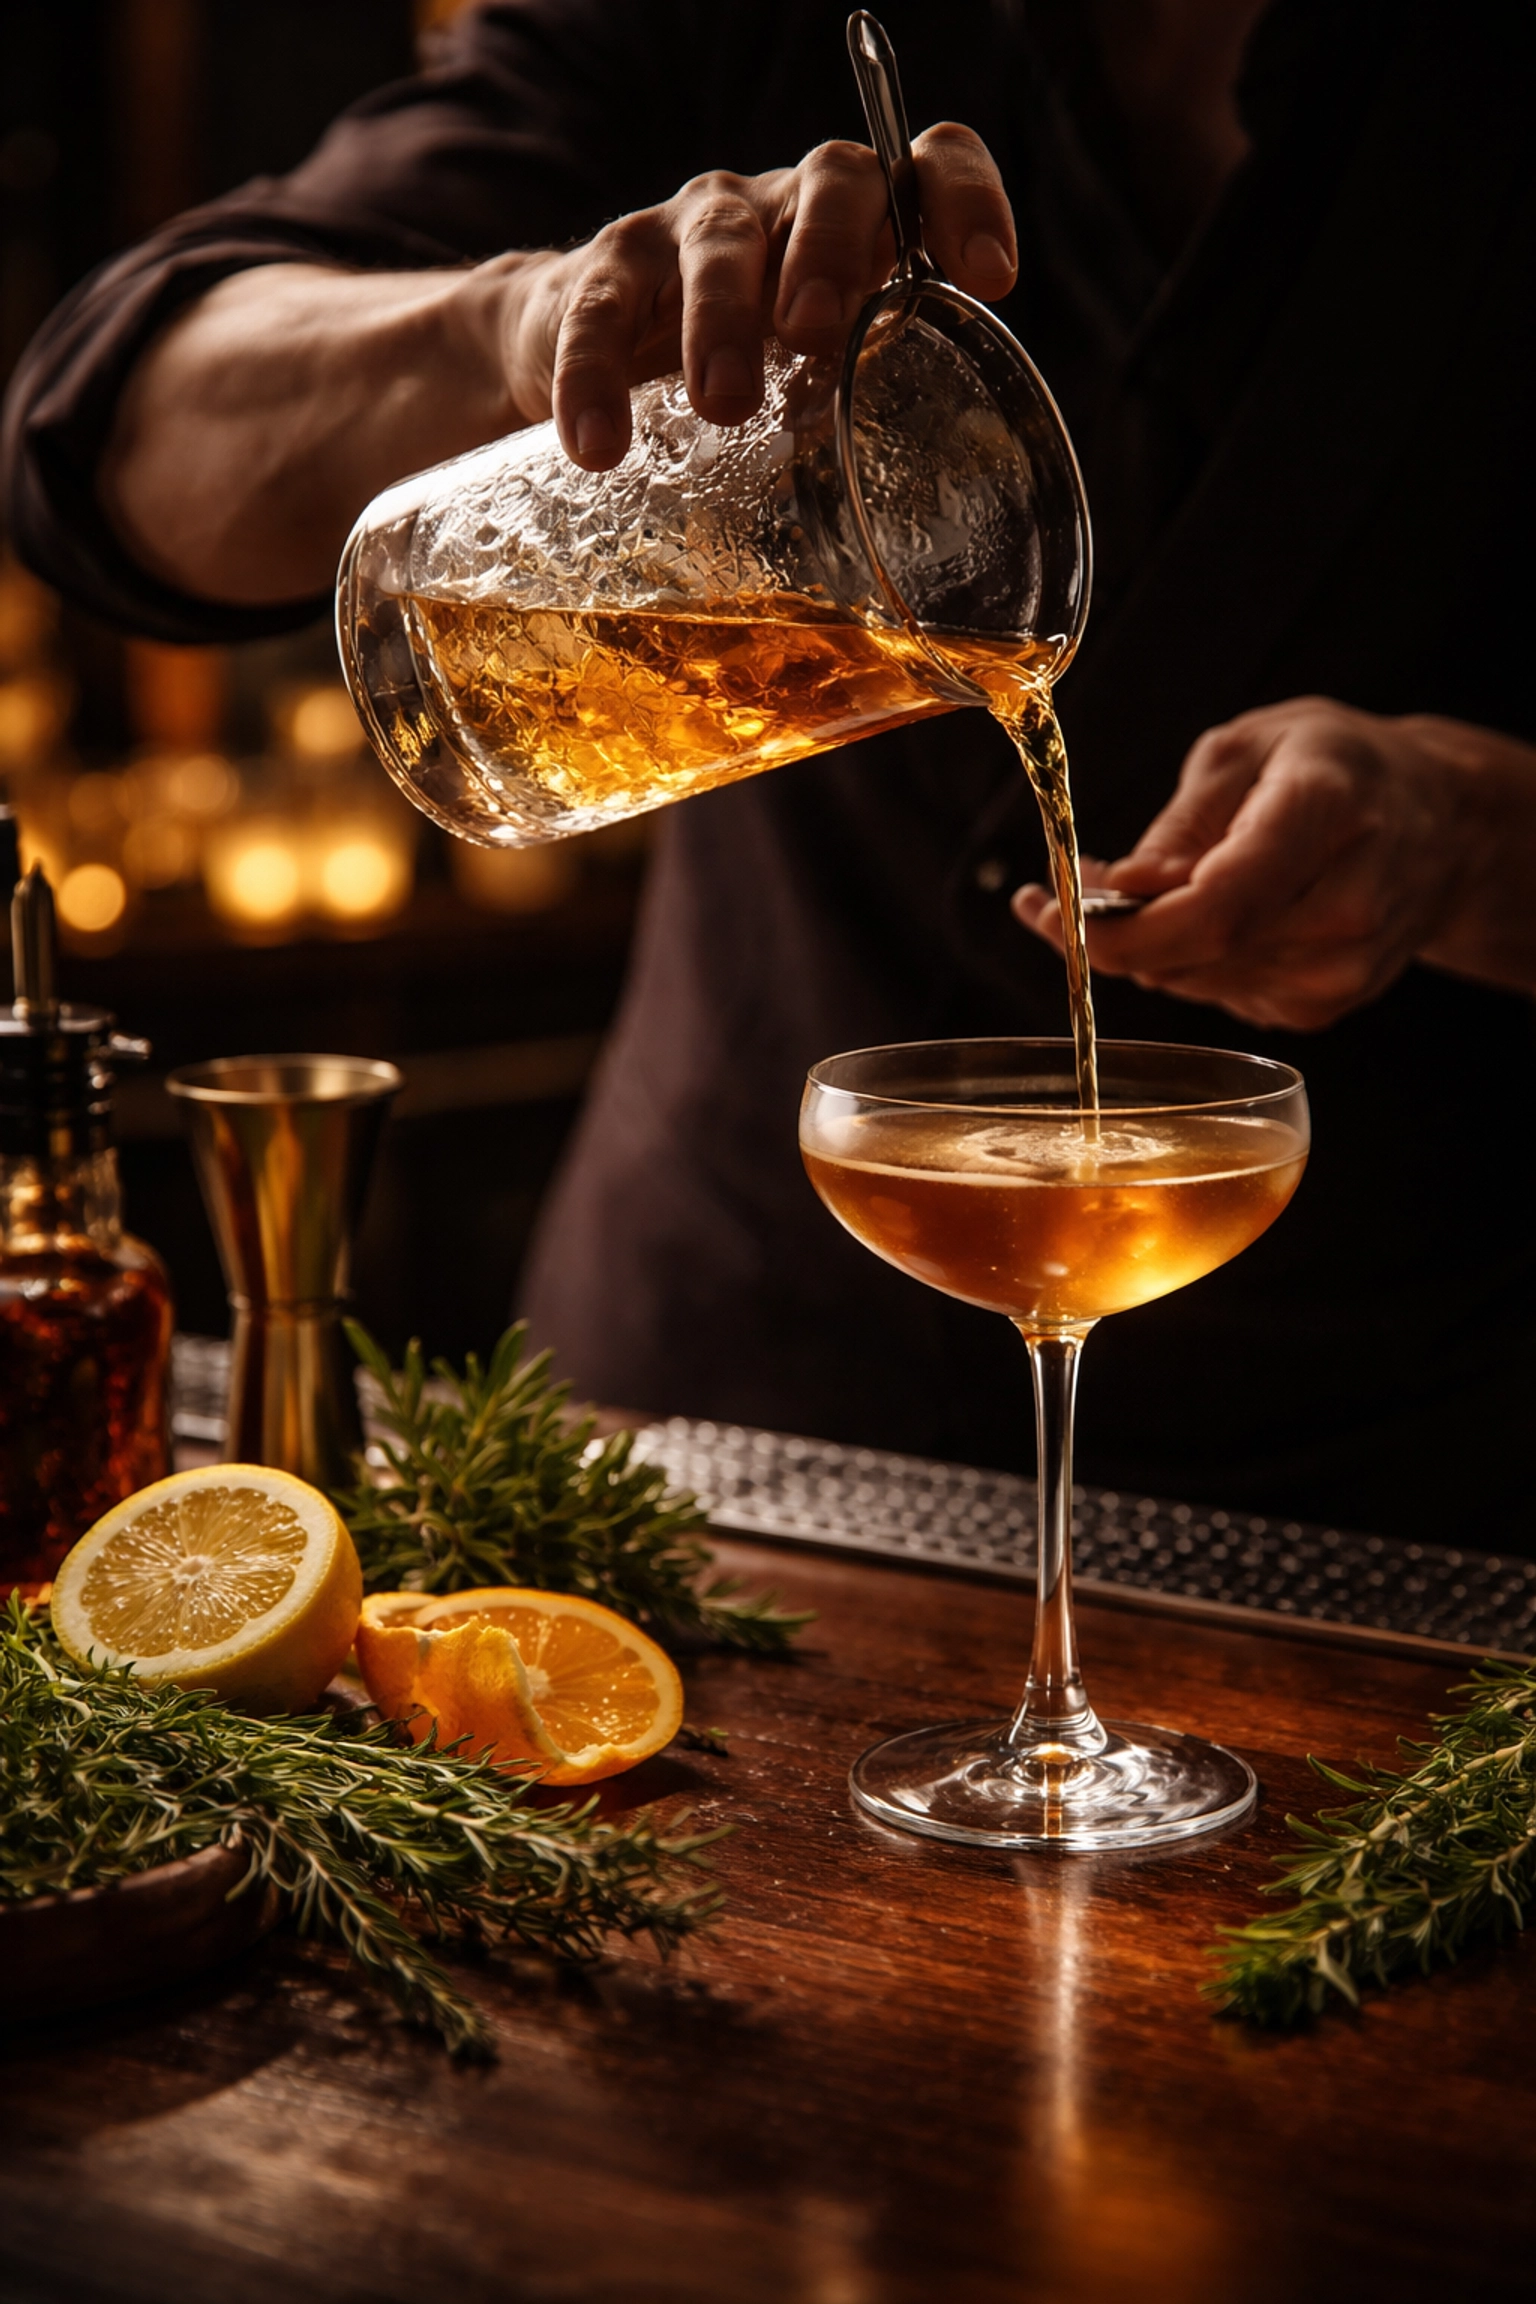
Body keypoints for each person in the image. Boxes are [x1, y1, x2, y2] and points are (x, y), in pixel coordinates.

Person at [5, 1, 1534, 1547]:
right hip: (711, 1426)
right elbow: (104, 439)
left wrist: (1476, 836)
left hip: (1382, 1484)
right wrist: (507, 327)